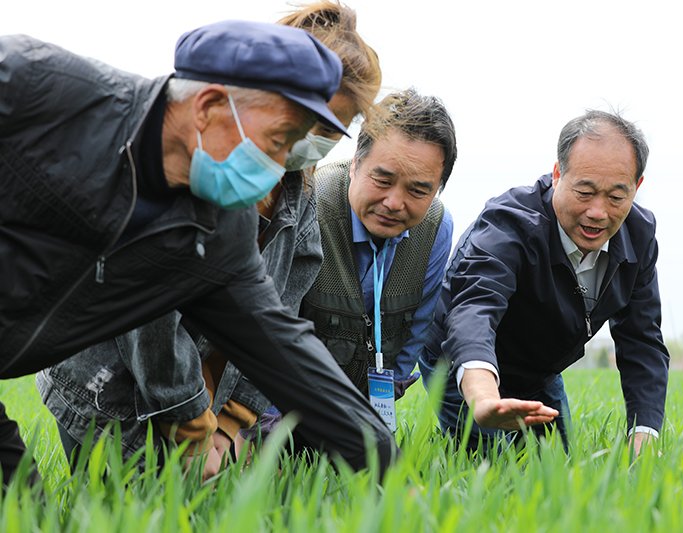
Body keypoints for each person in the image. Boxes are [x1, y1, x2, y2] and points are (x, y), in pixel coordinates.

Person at [0, 19, 396, 485]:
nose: (277, 169)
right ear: (208, 107)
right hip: (95, 387)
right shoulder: (30, 86)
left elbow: (281, 346)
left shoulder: (224, 229)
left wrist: (381, 459)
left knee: (23, 506)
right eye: (276, 143)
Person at [420, 110, 669, 455]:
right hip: (463, 362)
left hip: (538, 370)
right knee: (491, 465)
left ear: (636, 187)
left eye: (616, 197)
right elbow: (474, 309)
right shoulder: (509, 225)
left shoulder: (638, 236)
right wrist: (483, 397)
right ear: (557, 175)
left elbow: (642, 339)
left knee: (555, 468)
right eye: (585, 191)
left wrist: (644, 434)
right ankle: (429, 459)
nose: (598, 212)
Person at [241, 87, 457, 446]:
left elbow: (415, 333)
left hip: (359, 418)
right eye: (383, 180)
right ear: (356, 163)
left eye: (418, 190)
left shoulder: (436, 228)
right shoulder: (308, 204)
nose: (394, 202)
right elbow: (268, 327)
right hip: (277, 414)